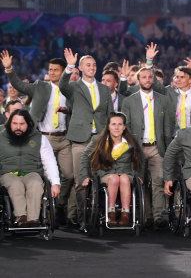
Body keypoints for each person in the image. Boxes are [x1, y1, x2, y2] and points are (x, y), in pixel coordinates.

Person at [2, 52, 74, 226]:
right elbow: (18, 84)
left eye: (56, 70)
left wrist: (68, 109)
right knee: (39, 175)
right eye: (50, 70)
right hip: (43, 136)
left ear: (64, 72)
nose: (52, 73)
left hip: (64, 138)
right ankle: (33, 213)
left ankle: (59, 206)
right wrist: (9, 68)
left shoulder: (71, 90)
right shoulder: (39, 86)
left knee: (69, 175)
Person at [60, 49, 114, 225]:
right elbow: (62, 85)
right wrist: (69, 66)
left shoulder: (105, 89)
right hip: (79, 139)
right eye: (88, 65)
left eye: (94, 65)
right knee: (80, 180)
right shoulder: (74, 87)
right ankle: (83, 220)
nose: (92, 67)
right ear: (81, 68)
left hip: (100, 140)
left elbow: (110, 115)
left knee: (100, 179)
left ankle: (99, 216)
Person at [122, 67, 174, 230]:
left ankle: (158, 217)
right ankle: (146, 216)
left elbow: (168, 126)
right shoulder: (129, 101)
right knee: (140, 182)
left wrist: (165, 148)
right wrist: (131, 148)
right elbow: (126, 127)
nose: (147, 80)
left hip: (157, 147)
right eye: (143, 77)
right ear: (138, 80)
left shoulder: (163, 100)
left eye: (150, 77)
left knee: (158, 182)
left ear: (154, 79)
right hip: (138, 147)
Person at [80, 112, 144, 226]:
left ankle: (125, 214)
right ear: (108, 126)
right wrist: (85, 176)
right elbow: (85, 157)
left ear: (124, 127)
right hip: (105, 174)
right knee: (114, 178)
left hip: (126, 174)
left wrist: (140, 175)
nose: (116, 127)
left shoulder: (131, 141)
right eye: (113, 124)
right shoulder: (98, 140)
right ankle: (111, 212)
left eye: (120, 124)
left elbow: (141, 160)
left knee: (123, 178)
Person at [0, 109, 60, 227]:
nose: (18, 127)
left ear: (28, 124)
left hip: (32, 172)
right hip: (7, 173)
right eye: (15, 124)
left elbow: (50, 162)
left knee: (36, 183)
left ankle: (32, 219)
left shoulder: (40, 138)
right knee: (16, 184)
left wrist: (55, 183)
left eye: (22, 124)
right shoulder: (1, 137)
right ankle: (21, 216)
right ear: (9, 123)